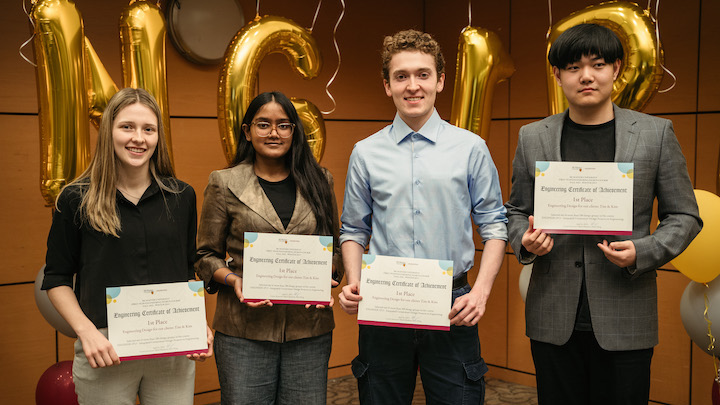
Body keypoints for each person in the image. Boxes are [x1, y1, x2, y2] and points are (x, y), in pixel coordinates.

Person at [505, 23, 702, 405]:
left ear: (616, 69)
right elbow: (516, 210)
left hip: (625, 313)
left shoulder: (654, 133)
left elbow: (685, 216)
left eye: (597, 64)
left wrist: (642, 251)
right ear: (558, 75)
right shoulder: (534, 136)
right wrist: (524, 242)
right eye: (574, 67)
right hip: (552, 316)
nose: (587, 76)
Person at [338, 29, 508, 404]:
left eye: (423, 74)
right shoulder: (365, 153)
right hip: (383, 302)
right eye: (401, 76)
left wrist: (481, 292)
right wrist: (353, 281)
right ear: (387, 85)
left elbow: (495, 225)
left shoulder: (471, 148)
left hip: (453, 302)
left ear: (440, 81)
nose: (412, 86)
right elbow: (353, 228)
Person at [42, 87, 212, 405]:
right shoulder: (75, 198)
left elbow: (187, 271)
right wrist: (86, 332)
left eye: (148, 129)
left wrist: (196, 323)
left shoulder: (181, 196)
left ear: (158, 136)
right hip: (106, 350)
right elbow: (56, 279)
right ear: (109, 132)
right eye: (127, 127)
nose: (139, 138)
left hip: (171, 348)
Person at [195, 91, 343, 405]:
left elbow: (337, 249)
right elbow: (205, 255)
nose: (274, 133)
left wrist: (323, 271)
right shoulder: (224, 182)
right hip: (242, 332)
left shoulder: (320, 180)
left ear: (295, 132)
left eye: (283, 125)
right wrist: (235, 280)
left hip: (309, 332)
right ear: (247, 131)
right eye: (264, 124)